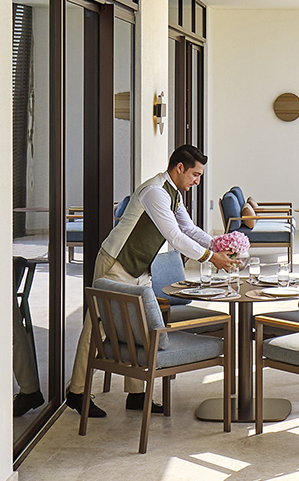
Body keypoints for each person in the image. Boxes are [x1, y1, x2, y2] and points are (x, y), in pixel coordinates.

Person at [69, 144, 218, 417]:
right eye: (195, 175)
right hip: (115, 263)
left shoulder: (174, 195)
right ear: (180, 168)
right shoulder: (154, 192)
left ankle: (136, 395)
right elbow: (175, 237)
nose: (197, 181)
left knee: (142, 328)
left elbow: (189, 228)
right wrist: (210, 257)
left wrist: (217, 244)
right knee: (97, 326)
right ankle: (76, 392)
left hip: (140, 269)